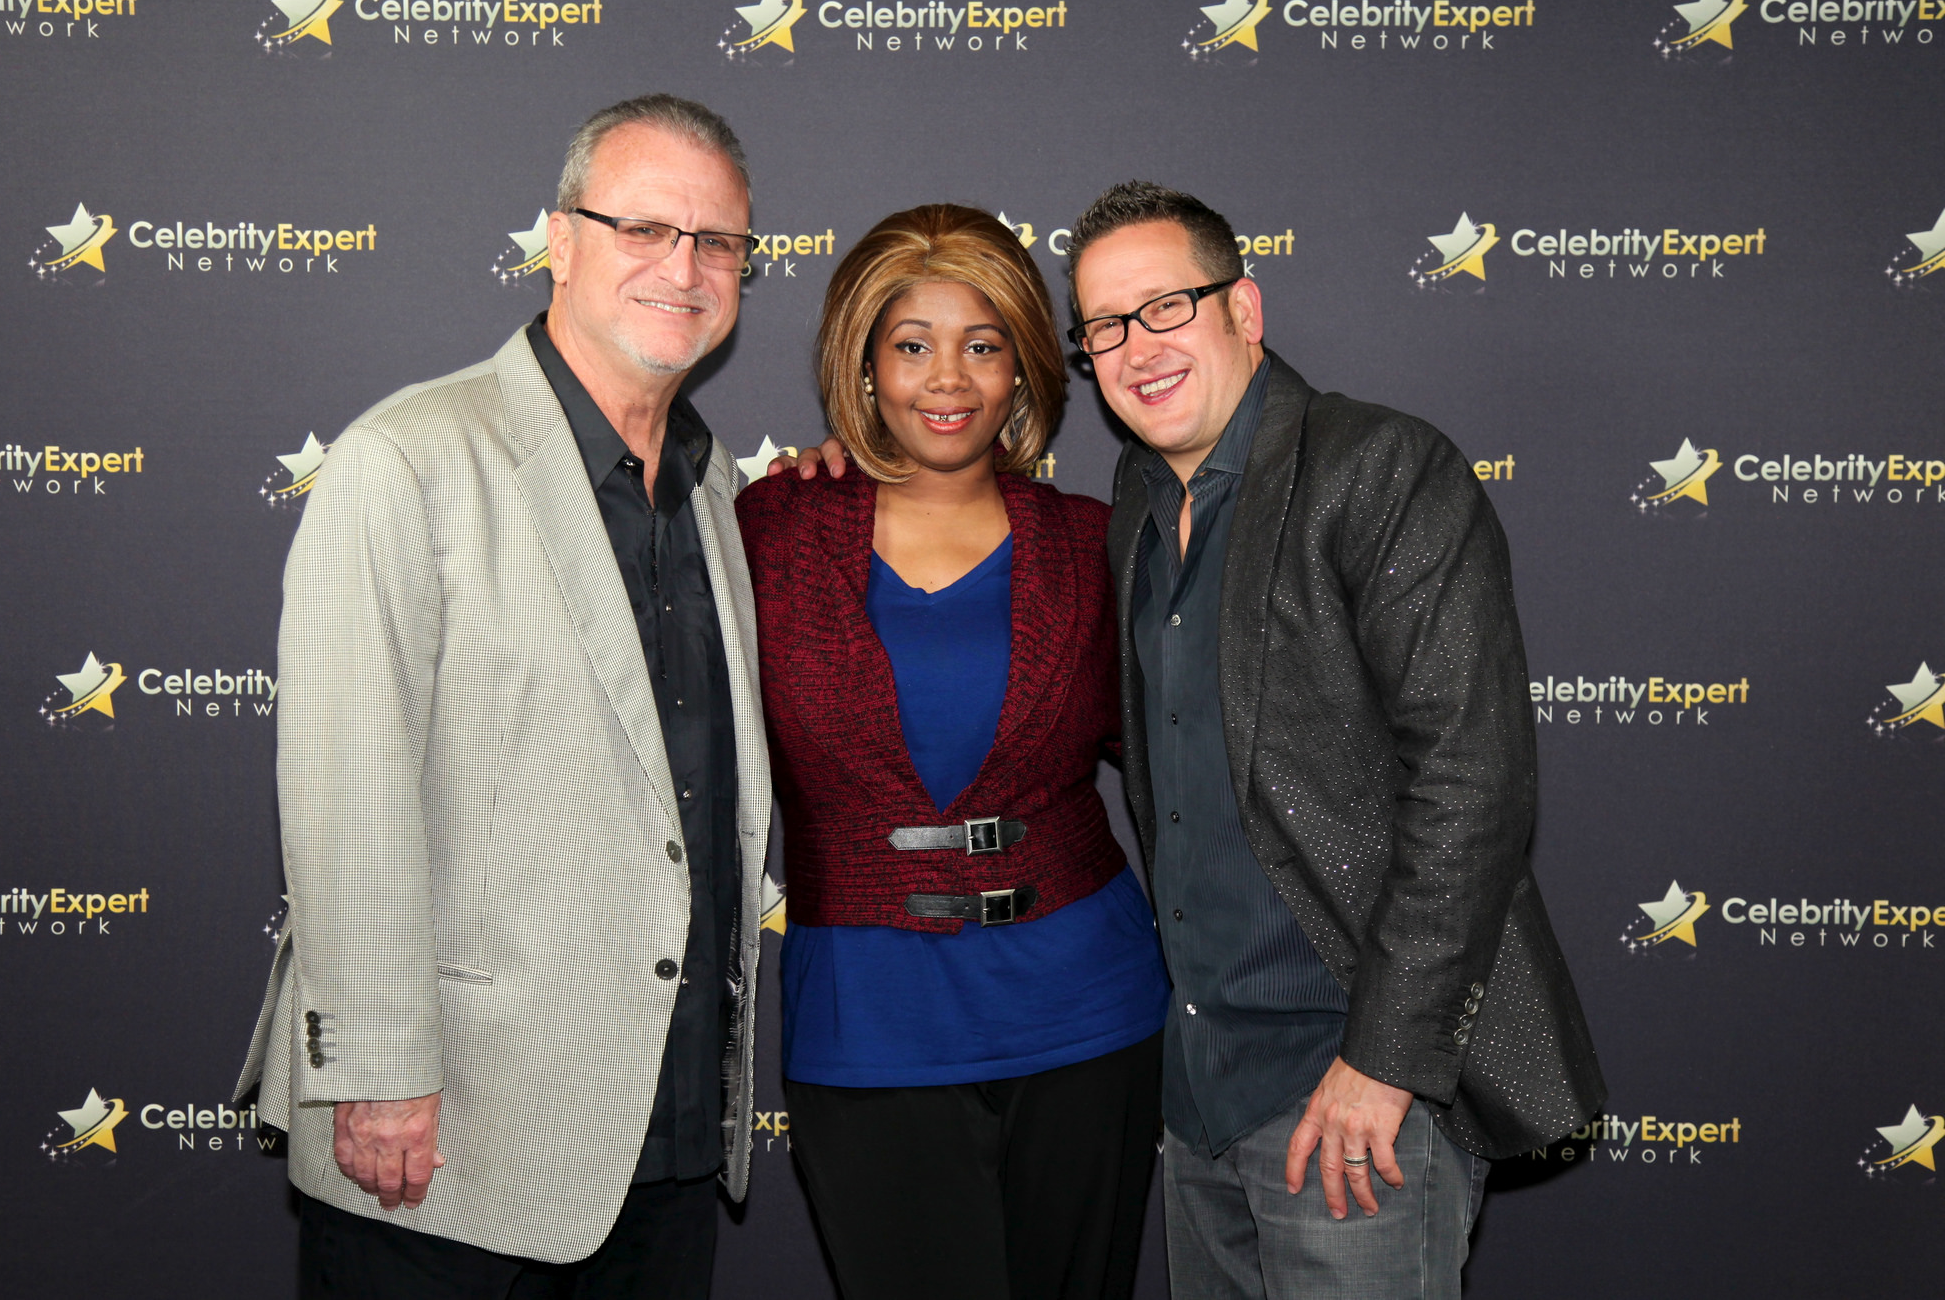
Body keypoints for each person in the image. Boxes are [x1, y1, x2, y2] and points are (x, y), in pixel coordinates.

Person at [782, 183, 1605, 1299]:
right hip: (1195, 1084)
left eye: (1166, 307)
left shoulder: (1374, 468)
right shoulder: (1131, 508)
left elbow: (1472, 784)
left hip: (1347, 1084)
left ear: (1244, 309)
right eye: (1107, 328)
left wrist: (1384, 1063)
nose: (1137, 348)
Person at [233, 94, 772, 1299]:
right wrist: (374, 1073)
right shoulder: (408, 459)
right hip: (444, 1144)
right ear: (560, 241)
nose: (681, 268)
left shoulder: (715, 490)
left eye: (716, 242)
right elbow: (341, 794)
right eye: (641, 228)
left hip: (664, 1134)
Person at [736, 204, 1169, 1300]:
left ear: (1023, 367)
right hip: (867, 1028)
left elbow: (1187, 754)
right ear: (863, 366)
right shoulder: (772, 529)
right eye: (911, 345)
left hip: (1089, 1012)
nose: (947, 379)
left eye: (981, 345)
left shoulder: (1092, 542)